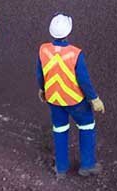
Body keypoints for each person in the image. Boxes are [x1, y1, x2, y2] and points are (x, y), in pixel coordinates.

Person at [37, 13, 106, 178]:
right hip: (75, 100)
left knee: (60, 130)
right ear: (68, 32)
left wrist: (42, 89)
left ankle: (61, 168)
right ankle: (87, 165)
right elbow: (84, 80)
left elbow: (40, 74)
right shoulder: (75, 54)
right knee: (87, 126)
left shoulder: (43, 50)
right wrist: (94, 99)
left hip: (54, 99)